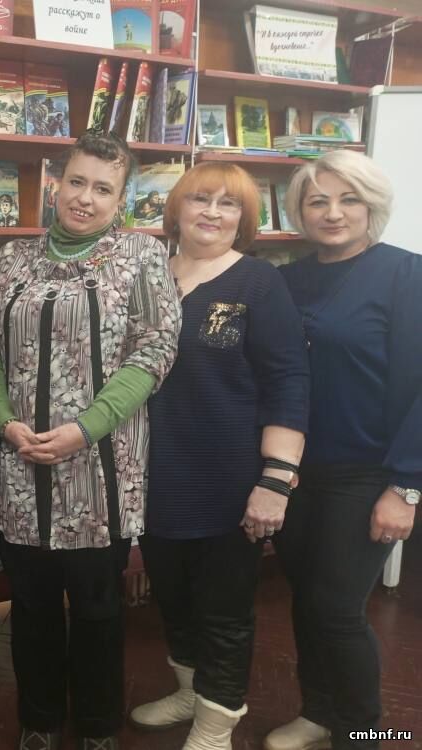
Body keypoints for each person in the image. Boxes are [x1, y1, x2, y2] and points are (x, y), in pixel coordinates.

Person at [0, 130, 181, 750]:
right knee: (31, 605)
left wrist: (86, 428)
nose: (85, 198)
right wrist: (3, 420)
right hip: (20, 465)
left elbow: (155, 351)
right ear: (55, 184)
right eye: (77, 182)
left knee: (97, 608)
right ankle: (39, 722)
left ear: (121, 198)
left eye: (103, 188)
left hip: (100, 471)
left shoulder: (142, 257)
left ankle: (96, 727)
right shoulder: (13, 258)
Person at [129, 163, 310, 748]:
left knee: (224, 612)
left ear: (244, 218)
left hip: (227, 482)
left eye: (227, 204)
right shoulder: (146, 275)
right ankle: (190, 690)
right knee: (172, 597)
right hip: (151, 477)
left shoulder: (259, 283)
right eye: (199, 199)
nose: (211, 212)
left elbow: (288, 380)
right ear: (176, 209)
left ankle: (216, 723)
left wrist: (276, 479)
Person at [266, 151, 422, 750]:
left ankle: (362, 733)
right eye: (318, 201)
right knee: (307, 601)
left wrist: (406, 486)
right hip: (295, 472)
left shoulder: (405, 275)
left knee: (336, 608)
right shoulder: (287, 279)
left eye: (348, 199)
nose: (333, 213)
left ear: (371, 206)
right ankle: (318, 711)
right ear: (299, 212)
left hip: (369, 474)